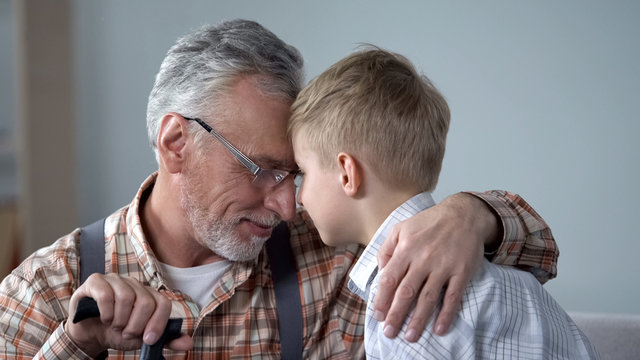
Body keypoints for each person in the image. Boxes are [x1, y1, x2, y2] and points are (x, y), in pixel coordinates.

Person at [0, 20, 558, 359]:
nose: (288, 204)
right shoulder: (44, 290)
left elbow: (540, 254)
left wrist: (470, 216)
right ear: (176, 143)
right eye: (262, 168)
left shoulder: (340, 257)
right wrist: (80, 345)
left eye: (295, 175)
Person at [288, 47, 598, 359]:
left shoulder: (404, 298)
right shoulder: (498, 273)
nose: (298, 196)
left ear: (347, 174)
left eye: (303, 173)